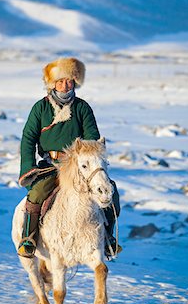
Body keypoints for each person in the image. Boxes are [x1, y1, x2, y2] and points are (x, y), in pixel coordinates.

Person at [18, 57, 120, 258]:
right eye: (60, 81)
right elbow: (28, 139)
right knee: (37, 194)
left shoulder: (82, 108)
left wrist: (89, 161)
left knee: (110, 192)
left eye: (70, 80)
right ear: (52, 84)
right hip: (52, 165)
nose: (65, 85)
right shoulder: (40, 108)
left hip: (78, 166)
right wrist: (28, 167)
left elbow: (91, 139)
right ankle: (29, 238)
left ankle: (107, 238)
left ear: (76, 82)